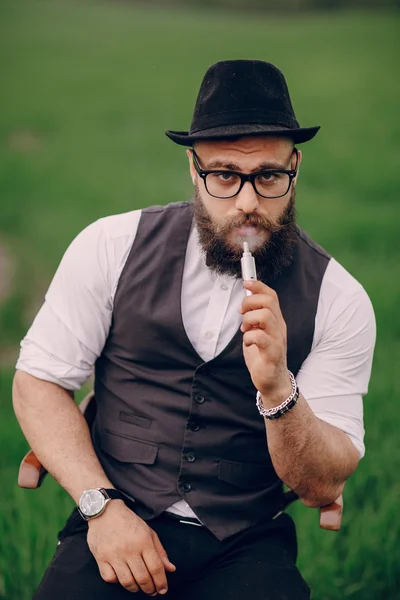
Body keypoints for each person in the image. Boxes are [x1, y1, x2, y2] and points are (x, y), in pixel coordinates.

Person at [13, 60, 375, 600]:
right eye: (225, 175)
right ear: (193, 168)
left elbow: (322, 483)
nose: (248, 203)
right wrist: (101, 506)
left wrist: (279, 387)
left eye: (269, 176)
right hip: (115, 512)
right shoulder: (110, 247)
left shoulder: (340, 299)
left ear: (295, 167)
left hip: (246, 543)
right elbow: (37, 382)